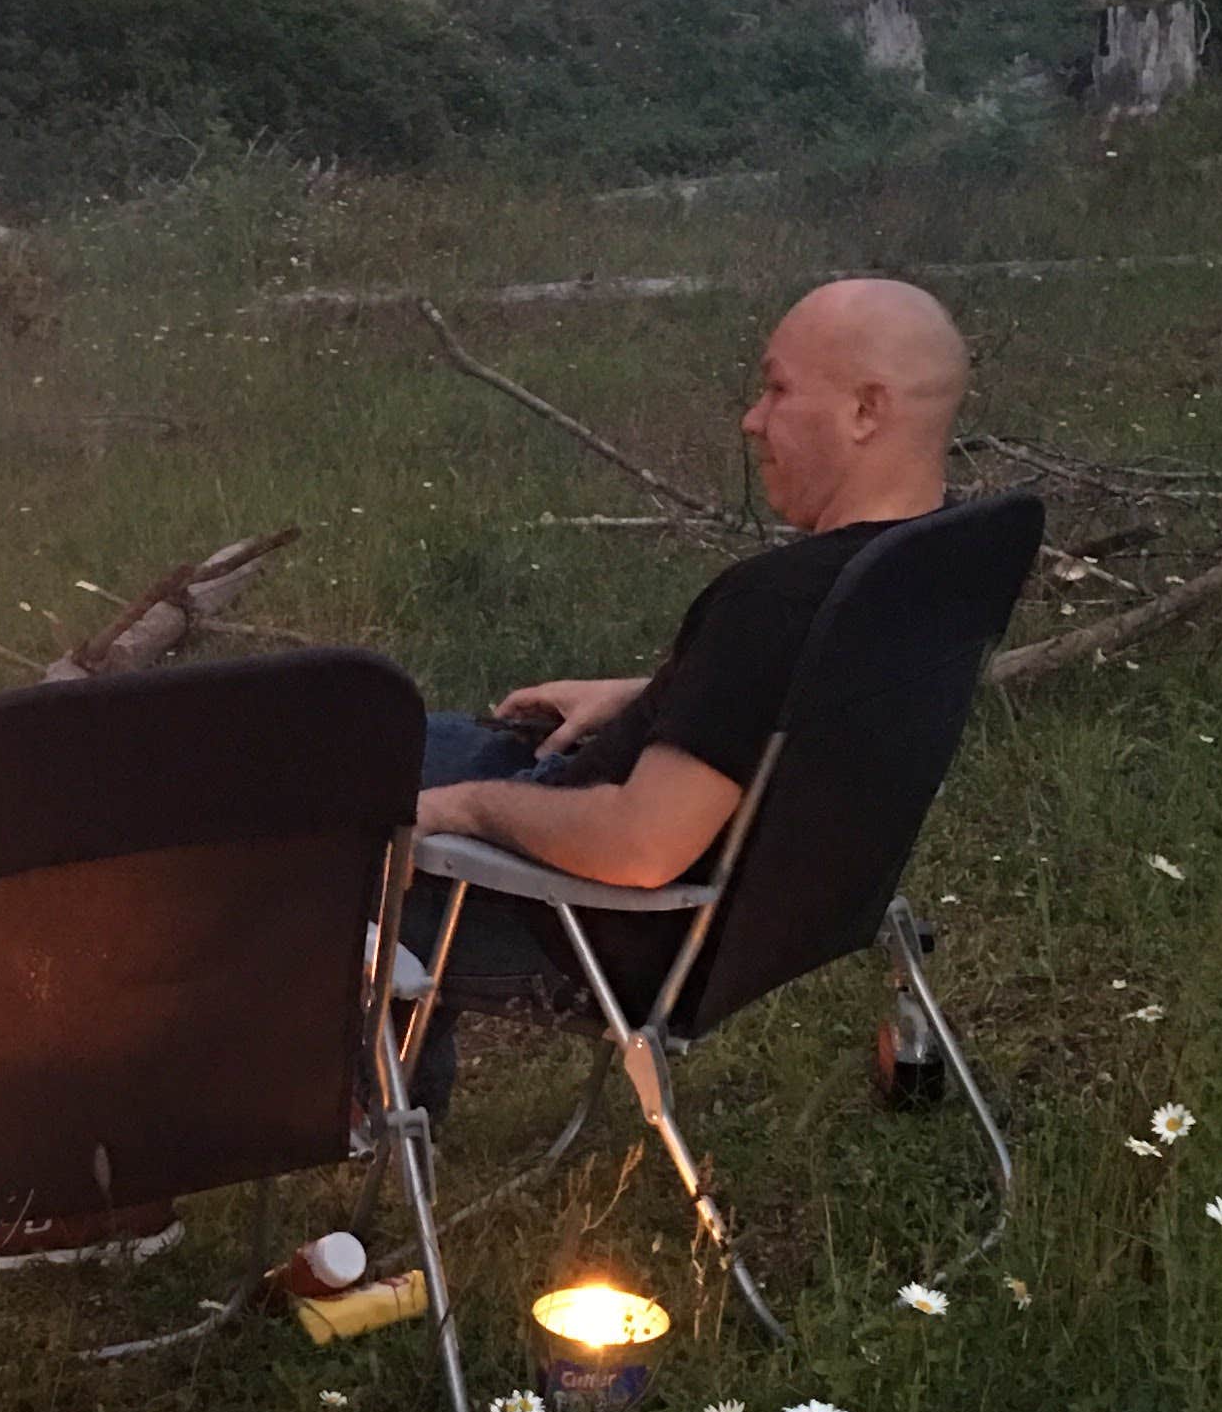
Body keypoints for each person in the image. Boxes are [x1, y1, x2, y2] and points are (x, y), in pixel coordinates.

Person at [406, 279, 969, 1095]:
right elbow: (806, 702)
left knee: (309, 833)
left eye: (776, 389)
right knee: (354, 735)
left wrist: (466, 810)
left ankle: (365, 1126)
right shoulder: (932, 558)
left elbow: (640, 848)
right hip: (759, 919)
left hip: (593, 931)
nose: (753, 418)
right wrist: (663, 696)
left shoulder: (775, 601)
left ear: (865, 411)